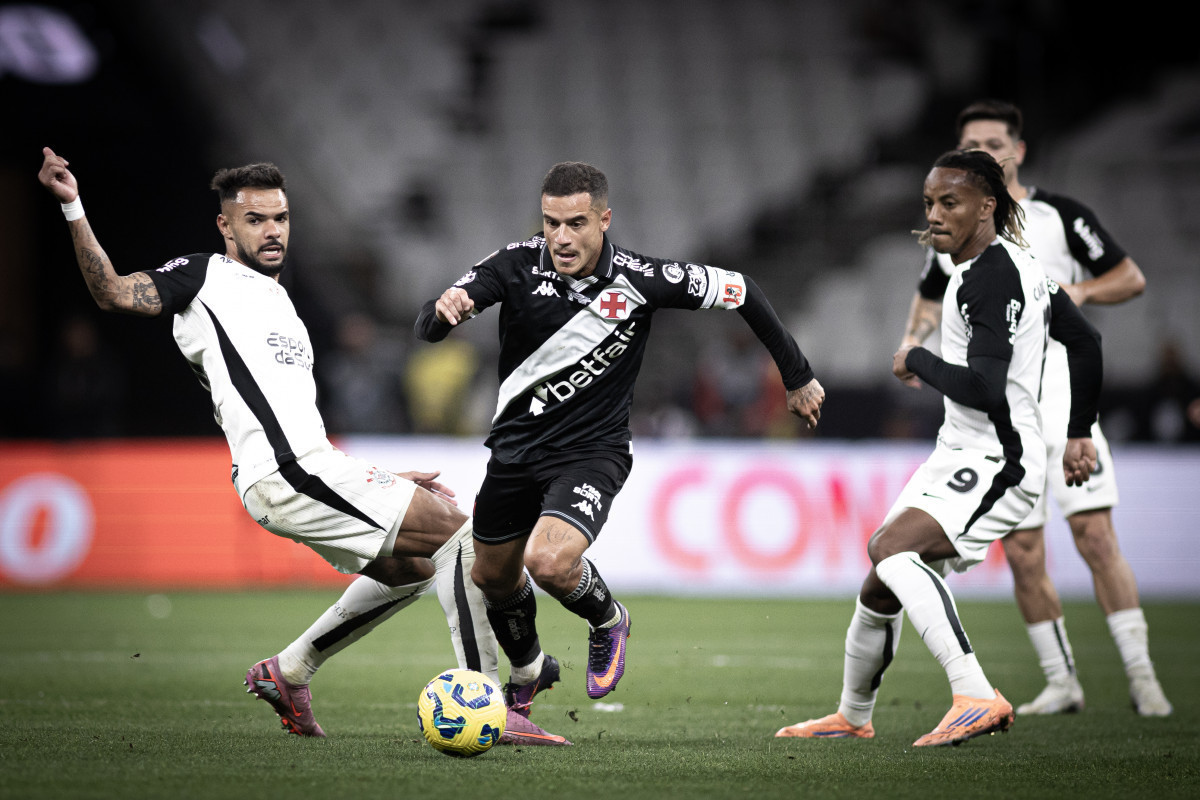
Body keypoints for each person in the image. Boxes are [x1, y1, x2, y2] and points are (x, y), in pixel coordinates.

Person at [36, 147, 569, 746]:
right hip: (281, 472)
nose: (271, 231)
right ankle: (493, 703)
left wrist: (386, 480)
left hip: (305, 467)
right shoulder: (204, 275)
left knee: (414, 566)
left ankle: (288, 672)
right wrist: (73, 205)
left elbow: (298, 428)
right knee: (460, 535)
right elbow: (112, 292)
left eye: (281, 218)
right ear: (226, 226)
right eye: (255, 219)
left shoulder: (283, 304)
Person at [416, 161, 824, 715]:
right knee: (490, 575)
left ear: (604, 219)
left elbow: (743, 290)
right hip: (514, 453)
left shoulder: (641, 277)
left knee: (550, 561)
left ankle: (608, 620)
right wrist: (444, 314)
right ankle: (529, 670)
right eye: (551, 222)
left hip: (592, 453)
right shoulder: (512, 265)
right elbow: (429, 326)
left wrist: (796, 376)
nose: (560, 237)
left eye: (576, 223)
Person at [776, 149, 1104, 747]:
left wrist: (916, 359)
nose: (935, 215)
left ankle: (975, 693)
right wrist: (1079, 430)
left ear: (987, 205)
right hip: (961, 452)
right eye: (928, 203)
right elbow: (1086, 342)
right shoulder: (1018, 268)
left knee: (891, 551)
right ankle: (852, 716)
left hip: (998, 458)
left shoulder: (992, 277)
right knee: (883, 576)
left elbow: (983, 386)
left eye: (949, 202)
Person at [896, 100, 1171, 717]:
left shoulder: (1061, 216)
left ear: (1017, 150)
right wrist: (912, 344)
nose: (985, 153)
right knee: (1023, 551)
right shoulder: (955, 230)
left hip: (1065, 400)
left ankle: (1142, 676)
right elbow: (928, 299)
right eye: (973, 144)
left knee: (1095, 536)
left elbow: (1131, 278)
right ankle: (1062, 679)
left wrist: (1074, 292)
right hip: (1005, 423)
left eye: (994, 142)